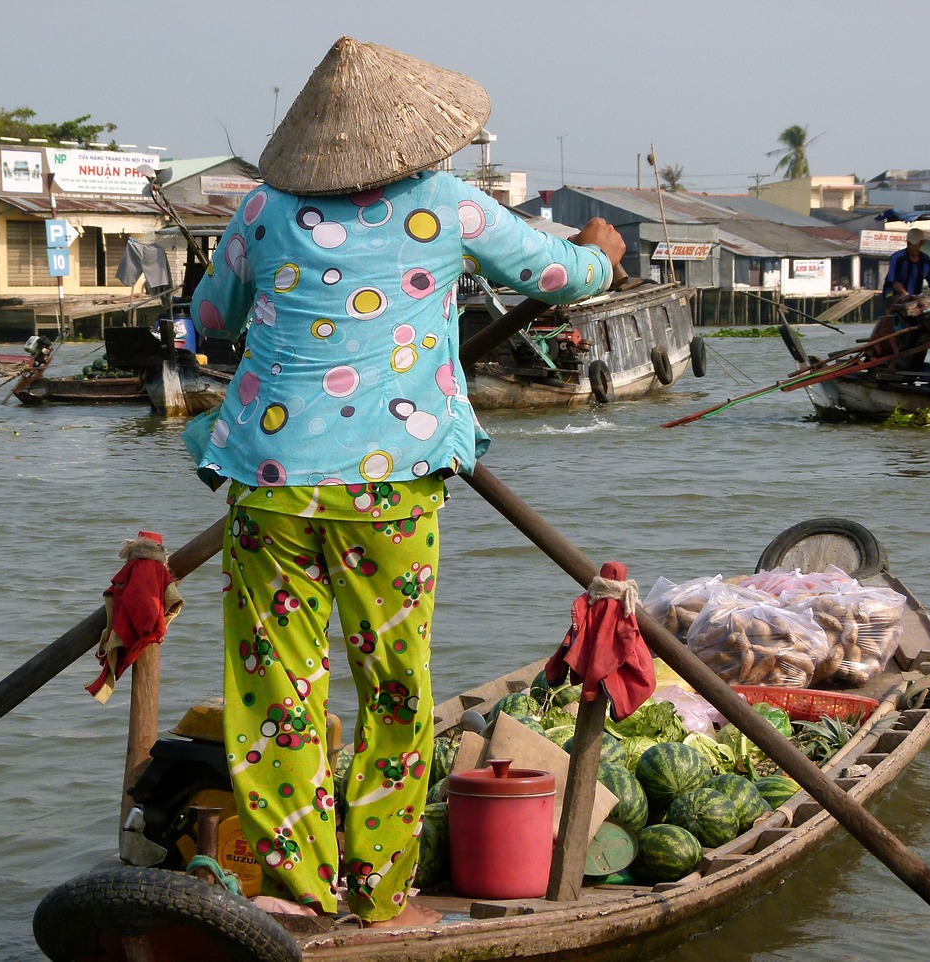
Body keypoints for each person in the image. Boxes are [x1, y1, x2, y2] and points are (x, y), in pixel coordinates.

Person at [184, 37, 626, 927]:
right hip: (389, 494)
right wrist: (603, 249)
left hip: (268, 485)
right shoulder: (447, 205)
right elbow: (562, 275)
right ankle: (380, 890)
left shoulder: (262, 212)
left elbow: (207, 321)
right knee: (393, 688)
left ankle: (298, 891)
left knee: (277, 689)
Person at [883, 228, 930, 307]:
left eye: (914, 245)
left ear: (922, 243)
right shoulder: (897, 258)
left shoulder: (925, 260)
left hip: (914, 298)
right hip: (894, 296)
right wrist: (904, 292)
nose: (911, 247)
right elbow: (894, 281)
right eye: (909, 244)